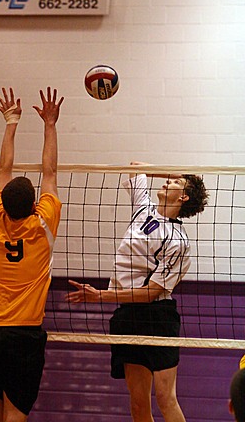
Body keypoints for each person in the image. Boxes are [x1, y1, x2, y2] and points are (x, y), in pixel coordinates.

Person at [66, 163, 209, 422]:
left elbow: (150, 292)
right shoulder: (143, 208)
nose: (167, 182)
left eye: (175, 183)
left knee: (166, 398)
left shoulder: (179, 240)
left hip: (157, 317)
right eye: (170, 179)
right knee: (138, 403)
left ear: (184, 197)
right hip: (127, 315)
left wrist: (100, 296)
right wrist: (179, 176)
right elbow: (135, 166)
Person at [0, 86, 64, 422]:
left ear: (5, 205)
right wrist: (50, 124)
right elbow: (50, 173)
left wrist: (11, 122)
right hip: (24, 334)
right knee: (15, 413)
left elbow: (3, 171)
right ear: (33, 206)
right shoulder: (43, 226)